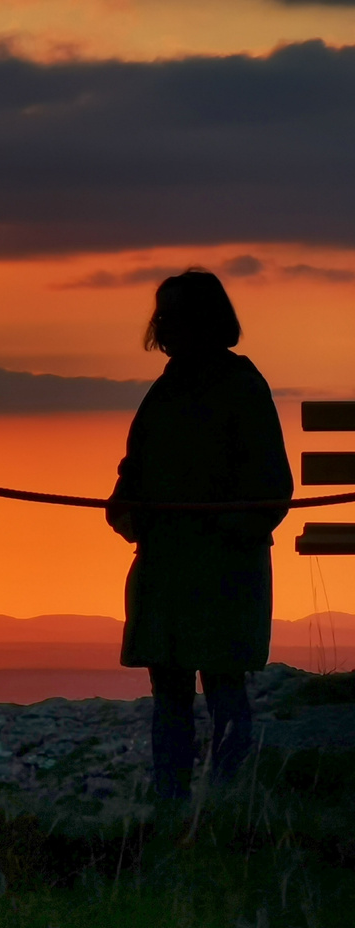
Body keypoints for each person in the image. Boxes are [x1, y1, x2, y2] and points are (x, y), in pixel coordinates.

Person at [107, 269, 293, 800]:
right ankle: (175, 810)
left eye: (172, 316)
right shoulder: (167, 391)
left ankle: (223, 811)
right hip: (169, 565)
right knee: (171, 693)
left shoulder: (238, 387)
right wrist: (128, 510)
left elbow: (270, 489)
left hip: (220, 572)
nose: (163, 326)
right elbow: (134, 475)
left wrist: (211, 527)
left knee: (223, 688)